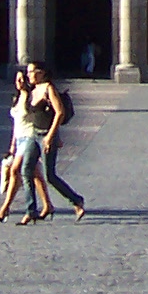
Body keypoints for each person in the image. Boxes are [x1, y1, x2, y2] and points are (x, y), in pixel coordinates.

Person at [25, 62, 86, 220]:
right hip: (34, 135)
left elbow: (60, 113)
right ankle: (31, 210)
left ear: (41, 73)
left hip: (47, 136)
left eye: (31, 71)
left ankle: (77, 200)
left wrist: (51, 137)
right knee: (26, 169)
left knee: (50, 175)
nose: (28, 75)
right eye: (28, 72)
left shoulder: (48, 89)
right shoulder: (33, 89)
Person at [0, 68, 54, 223]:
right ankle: (47, 205)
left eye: (22, 79)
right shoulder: (18, 97)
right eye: (17, 79)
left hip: (30, 137)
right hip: (20, 139)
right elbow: (16, 124)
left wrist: (51, 136)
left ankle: (5, 208)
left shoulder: (31, 98)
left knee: (16, 170)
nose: (19, 82)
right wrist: (12, 145)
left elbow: (43, 116)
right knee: (34, 174)